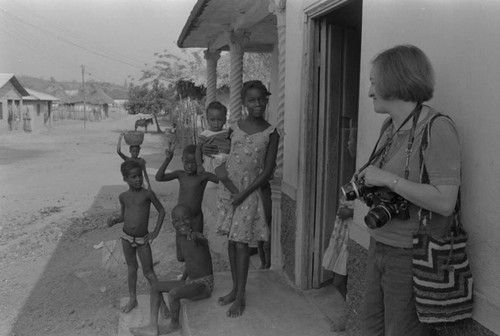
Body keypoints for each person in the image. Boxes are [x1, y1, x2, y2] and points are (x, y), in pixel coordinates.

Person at [356, 45, 461, 336]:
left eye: (374, 82)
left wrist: (388, 180)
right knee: (370, 329)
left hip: (413, 255)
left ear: (394, 81)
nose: (369, 92)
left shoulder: (436, 127)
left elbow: (445, 202)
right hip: (379, 243)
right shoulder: (390, 127)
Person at [215, 80, 279, 317]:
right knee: (232, 242)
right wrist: (223, 176)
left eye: (262, 99)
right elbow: (226, 155)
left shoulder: (271, 133)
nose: (258, 104)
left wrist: (243, 193)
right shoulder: (235, 127)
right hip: (229, 190)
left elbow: (267, 171)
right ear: (243, 102)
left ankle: (241, 297)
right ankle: (234, 289)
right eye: (252, 100)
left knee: (242, 242)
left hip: (249, 192)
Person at [129, 204, 213, 336]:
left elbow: (204, 241)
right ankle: (152, 326)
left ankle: (174, 324)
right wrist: (182, 280)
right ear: (173, 223)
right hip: (192, 282)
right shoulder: (181, 240)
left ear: (192, 219)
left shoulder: (196, 236)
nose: (182, 223)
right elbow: (189, 262)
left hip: (204, 285)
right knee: (155, 286)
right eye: (177, 220)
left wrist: (196, 236)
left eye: (186, 219)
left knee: (174, 293)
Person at [107, 160, 168, 315]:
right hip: (126, 237)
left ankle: (162, 305)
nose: (138, 179)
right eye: (133, 177)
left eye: (139, 175)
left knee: (149, 272)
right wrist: (114, 220)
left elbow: (161, 211)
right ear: (125, 179)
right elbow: (123, 216)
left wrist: (155, 232)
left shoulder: (148, 194)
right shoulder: (123, 197)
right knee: (131, 268)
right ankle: (133, 299)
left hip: (142, 240)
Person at [155, 144, 218, 234]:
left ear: (201, 162)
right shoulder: (180, 174)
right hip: (181, 218)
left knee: (197, 243)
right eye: (187, 162)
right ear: (182, 160)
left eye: (194, 163)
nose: (189, 166)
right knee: (182, 243)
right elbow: (159, 178)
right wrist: (168, 159)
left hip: (196, 217)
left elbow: (223, 181)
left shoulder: (204, 176)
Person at [195, 101, 231, 175]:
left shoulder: (227, 133)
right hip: (210, 163)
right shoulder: (205, 134)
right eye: (212, 120)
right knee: (210, 183)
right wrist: (199, 166)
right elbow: (198, 150)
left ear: (224, 120)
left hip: (226, 164)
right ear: (207, 120)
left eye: (219, 120)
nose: (216, 123)